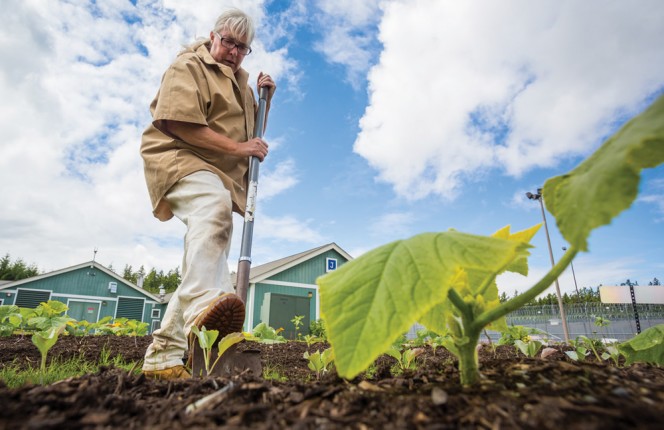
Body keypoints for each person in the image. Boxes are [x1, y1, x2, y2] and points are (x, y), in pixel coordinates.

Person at [140, 8, 276, 380]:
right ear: (213, 36)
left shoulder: (242, 85)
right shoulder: (188, 66)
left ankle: (163, 356)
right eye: (228, 41)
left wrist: (267, 99)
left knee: (208, 257)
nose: (233, 51)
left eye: (242, 47)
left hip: (217, 172)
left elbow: (249, 131)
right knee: (213, 210)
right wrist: (239, 150)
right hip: (179, 157)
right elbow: (176, 122)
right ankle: (206, 311)